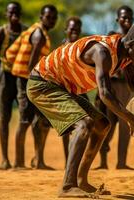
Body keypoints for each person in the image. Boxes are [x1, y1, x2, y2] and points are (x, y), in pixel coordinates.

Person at [27, 23, 134, 198]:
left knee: (102, 124)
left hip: (63, 87)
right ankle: (67, 186)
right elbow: (104, 93)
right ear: (131, 44)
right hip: (42, 84)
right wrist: (131, 119)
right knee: (84, 125)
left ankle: (81, 180)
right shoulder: (102, 52)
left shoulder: (126, 57)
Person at [95, 5, 134, 170]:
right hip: (110, 86)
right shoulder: (113, 38)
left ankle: (121, 162)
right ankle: (103, 162)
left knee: (125, 125)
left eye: (130, 18)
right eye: (123, 17)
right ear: (117, 19)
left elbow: (132, 76)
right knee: (107, 125)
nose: (126, 21)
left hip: (127, 87)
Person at [5, 4, 58, 169]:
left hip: (29, 80)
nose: (52, 20)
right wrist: (34, 84)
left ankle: (38, 161)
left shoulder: (39, 31)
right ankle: (19, 163)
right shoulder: (38, 35)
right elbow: (31, 65)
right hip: (27, 80)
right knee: (24, 120)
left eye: (54, 17)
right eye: (48, 17)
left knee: (38, 120)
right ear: (41, 17)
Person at [0, 1, 26, 170]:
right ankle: (5, 159)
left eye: (16, 12)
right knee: (4, 117)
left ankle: (20, 160)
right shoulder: (2, 31)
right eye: (11, 12)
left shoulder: (26, 31)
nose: (14, 15)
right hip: (5, 77)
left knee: (25, 116)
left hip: (22, 77)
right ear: (6, 15)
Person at [61, 16, 83, 166]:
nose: (74, 32)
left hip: (80, 91)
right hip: (64, 91)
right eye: (71, 29)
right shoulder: (61, 49)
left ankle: (76, 161)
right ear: (66, 30)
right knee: (67, 127)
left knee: (87, 124)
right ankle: (67, 160)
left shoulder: (82, 48)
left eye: (77, 29)